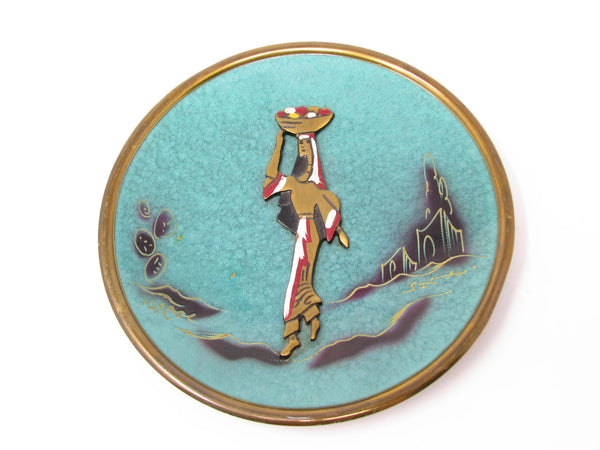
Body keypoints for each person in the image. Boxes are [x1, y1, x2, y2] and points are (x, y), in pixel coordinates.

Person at [263, 129, 349, 358]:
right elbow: (270, 178)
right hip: (305, 232)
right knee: (303, 277)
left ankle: (292, 335)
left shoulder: (314, 189)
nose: (306, 158)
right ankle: (311, 317)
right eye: (302, 153)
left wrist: (339, 231)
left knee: (297, 279)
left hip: (309, 233)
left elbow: (330, 212)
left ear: (314, 159)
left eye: (308, 153)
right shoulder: (293, 183)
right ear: (299, 160)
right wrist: (279, 145)